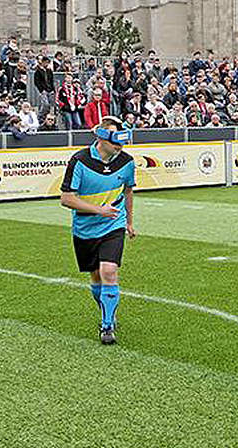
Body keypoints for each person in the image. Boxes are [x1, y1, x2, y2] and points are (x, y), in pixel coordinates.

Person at [59, 116, 137, 345]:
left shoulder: (127, 161)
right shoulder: (79, 161)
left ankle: (107, 325)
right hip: (85, 228)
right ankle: (107, 311)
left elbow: (129, 191)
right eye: (117, 142)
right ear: (101, 138)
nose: (121, 147)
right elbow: (66, 199)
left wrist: (129, 222)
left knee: (109, 271)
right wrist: (97, 210)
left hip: (114, 223)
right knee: (96, 276)